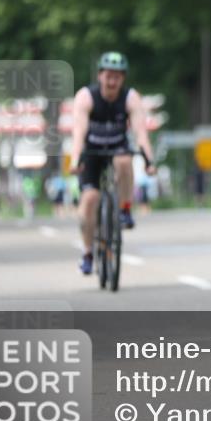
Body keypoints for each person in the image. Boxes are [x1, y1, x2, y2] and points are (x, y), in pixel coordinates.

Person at [70, 52, 157, 275]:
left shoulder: (130, 98)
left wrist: (149, 160)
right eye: (108, 76)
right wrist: (75, 157)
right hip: (91, 151)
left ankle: (125, 209)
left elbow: (140, 133)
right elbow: (79, 131)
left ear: (123, 79)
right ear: (100, 76)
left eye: (117, 77)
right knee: (89, 199)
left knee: (124, 160)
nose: (112, 81)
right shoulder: (86, 96)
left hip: (117, 147)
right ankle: (88, 252)